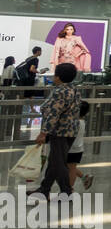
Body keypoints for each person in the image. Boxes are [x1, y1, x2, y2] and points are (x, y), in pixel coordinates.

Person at [28, 62, 81, 203]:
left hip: (60, 131)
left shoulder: (60, 92)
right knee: (54, 161)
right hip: (71, 130)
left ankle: (66, 192)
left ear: (58, 77)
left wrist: (44, 133)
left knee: (58, 163)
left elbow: (53, 113)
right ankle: (44, 189)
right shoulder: (74, 89)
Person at [67, 100, 93, 191]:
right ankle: (84, 177)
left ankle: (69, 189)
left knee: (71, 169)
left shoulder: (75, 122)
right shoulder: (82, 122)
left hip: (72, 149)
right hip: (77, 149)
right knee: (70, 167)